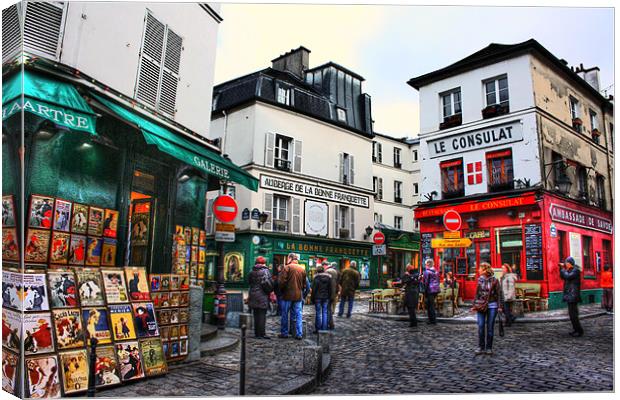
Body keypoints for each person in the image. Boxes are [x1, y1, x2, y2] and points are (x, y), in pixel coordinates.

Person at [472, 262, 501, 355]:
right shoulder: (479, 280)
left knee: (490, 327)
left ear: (485, 270)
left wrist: (499, 306)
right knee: (480, 326)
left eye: (480, 268)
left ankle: (489, 347)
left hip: (492, 305)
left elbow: (499, 294)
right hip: (481, 305)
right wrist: (474, 305)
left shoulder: (495, 280)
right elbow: (477, 294)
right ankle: (481, 347)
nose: (478, 270)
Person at [278, 253, 307, 340]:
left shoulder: (287, 267)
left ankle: (284, 333)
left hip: (287, 295)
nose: (287, 260)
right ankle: (299, 333)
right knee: (298, 315)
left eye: (287, 258)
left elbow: (281, 282)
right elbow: (304, 285)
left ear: (290, 258)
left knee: (285, 314)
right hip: (298, 296)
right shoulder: (302, 269)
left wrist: (281, 291)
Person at [248, 256, 273, 339]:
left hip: (253, 295)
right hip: (263, 295)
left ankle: (256, 333)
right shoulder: (266, 271)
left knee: (256, 315)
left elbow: (249, 282)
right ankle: (262, 334)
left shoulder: (251, 271)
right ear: (263, 263)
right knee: (262, 315)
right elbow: (270, 283)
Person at [560, 257, 584, 337]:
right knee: (571, 314)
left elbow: (568, 277)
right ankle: (576, 329)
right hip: (570, 295)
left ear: (570, 263)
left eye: (566, 263)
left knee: (573, 314)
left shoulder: (575, 270)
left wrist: (563, 269)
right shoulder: (569, 271)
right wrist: (562, 269)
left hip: (573, 295)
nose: (565, 264)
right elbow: (563, 277)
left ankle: (579, 330)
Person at [311, 265, 332, 332]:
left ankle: (318, 328)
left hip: (317, 297)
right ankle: (324, 328)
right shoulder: (328, 278)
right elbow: (330, 288)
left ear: (317, 270)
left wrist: (312, 298)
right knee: (325, 312)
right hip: (326, 297)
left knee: (318, 313)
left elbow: (313, 289)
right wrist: (330, 296)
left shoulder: (316, 278)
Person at [422, 259, 440, 324]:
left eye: (426, 264)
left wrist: (424, 291)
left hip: (430, 290)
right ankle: (432, 319)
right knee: (432, 304)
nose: (425, 266)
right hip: (436, 289)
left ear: (428, 265)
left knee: (430, 305)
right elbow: (438, 280)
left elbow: (426, 282)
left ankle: (432, 320)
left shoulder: (427, 272)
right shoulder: (436, 271)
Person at [325, 262, 339, 329]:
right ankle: (331, 324)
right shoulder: (336, 272)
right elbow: (337, 284)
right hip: (334, 294)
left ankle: (327, 324)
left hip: (327, 294)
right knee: (329, 310)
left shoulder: (327, 272)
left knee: (326, 310)